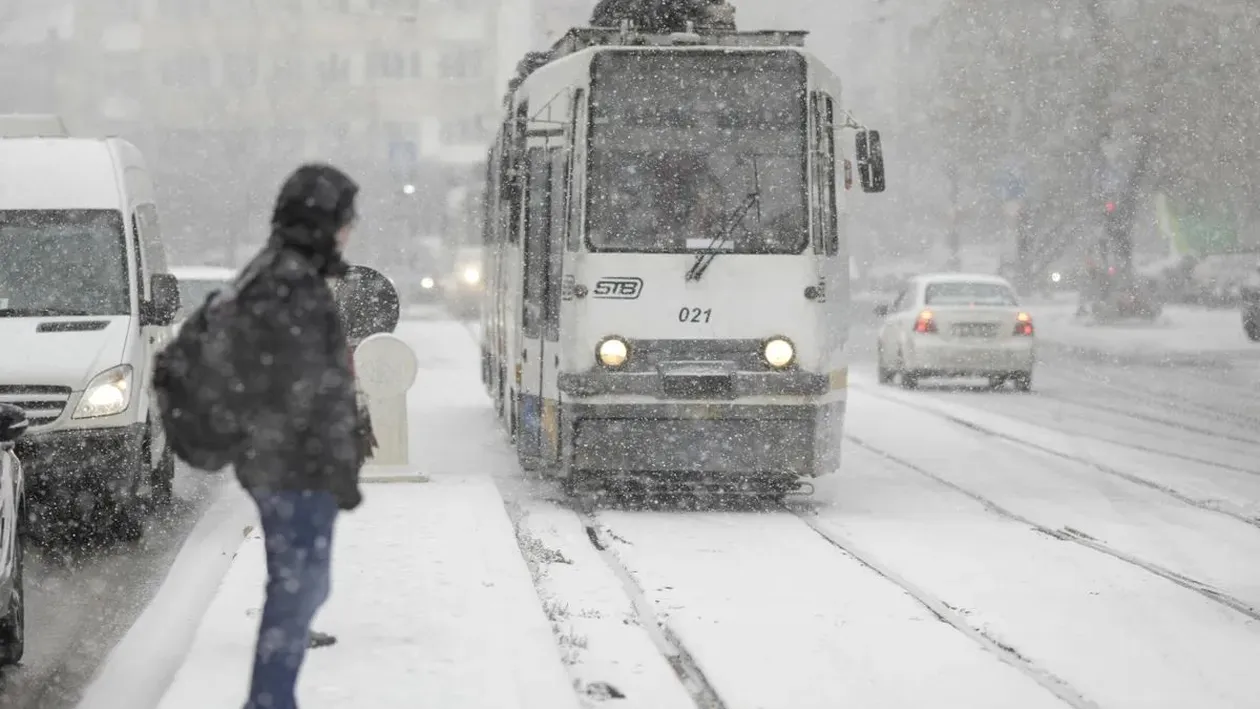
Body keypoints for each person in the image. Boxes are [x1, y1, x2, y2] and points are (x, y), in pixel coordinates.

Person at [230, 163, 365, 709]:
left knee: (302, 586)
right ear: (321, 221)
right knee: (296, 588)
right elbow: (297, 386)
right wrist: (330, 458)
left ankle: (271, 698)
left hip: (288, 460)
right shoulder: (287, 282)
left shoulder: (283, 273)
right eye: (345, 218)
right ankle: (270, 701)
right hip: (291, 464)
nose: (350, 229)